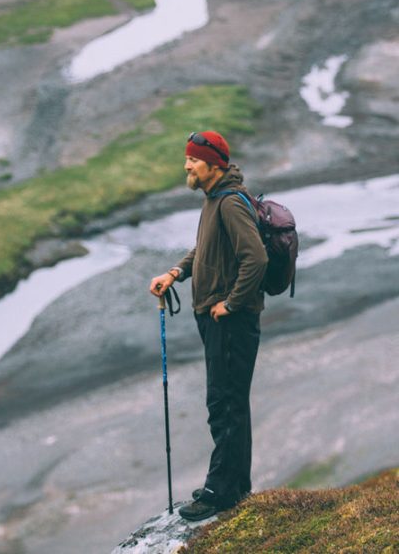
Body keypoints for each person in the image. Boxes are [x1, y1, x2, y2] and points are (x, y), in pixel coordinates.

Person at [149, 130, 268, 522]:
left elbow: (257, 259)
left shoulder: (230, 203)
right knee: (231, 402)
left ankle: (219, 493)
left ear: (213, 164)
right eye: (187, 159)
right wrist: (176, 272)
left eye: (194, 160)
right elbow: (205, 249)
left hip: (231, 324)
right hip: (219, 321)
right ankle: (235, 486)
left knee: (224, 405)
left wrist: (231, 305)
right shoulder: (214, 200)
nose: (187, 165)